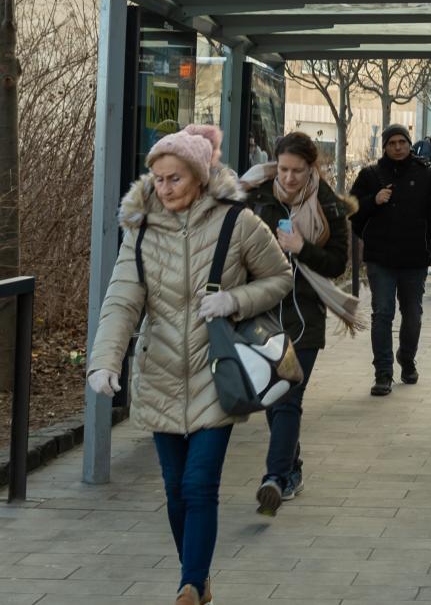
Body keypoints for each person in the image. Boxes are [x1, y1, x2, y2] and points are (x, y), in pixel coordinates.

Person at [86, 125, 293, 605]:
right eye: (157, 178)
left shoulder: (237, 223)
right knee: (175, 489)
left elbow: (280, 278)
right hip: (158, 373)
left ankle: (190, 586)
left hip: (215, 375)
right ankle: (194, 579)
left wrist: (234, 301)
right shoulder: (139, 231)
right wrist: (103, 361)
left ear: (199, 176)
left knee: (199, 485)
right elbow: (121, 301)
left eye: (174, 178)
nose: (164, 188)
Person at [240, 131, 361, 517]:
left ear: (313, 167)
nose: (289, 178)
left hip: (305, 315)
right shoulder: (255, 195)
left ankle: (274, 479)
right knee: (272, 400)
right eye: (284, 169)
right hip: (262, 313)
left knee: (288, 395)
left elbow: (338, 264)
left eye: (298, 170)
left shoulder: (329, 205)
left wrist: (301, 249)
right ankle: (292, 467)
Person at [350, 124, 431, 396]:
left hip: (414, 258)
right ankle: (383, 372)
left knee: (413, 314)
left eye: (402, 142)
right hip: (380, 258)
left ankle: (406, 358)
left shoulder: (426, 175)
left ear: (409, 144)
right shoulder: (370, 175)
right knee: (382, 313)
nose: (397, 147)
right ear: (384, 146)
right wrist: (374, 200)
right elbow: (351, 211)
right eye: (392, 142)